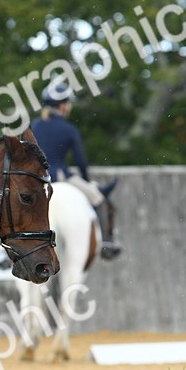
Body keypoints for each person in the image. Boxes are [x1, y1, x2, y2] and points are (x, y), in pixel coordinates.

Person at [30, 80, 122, 259]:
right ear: (63, 106)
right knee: (100, 200)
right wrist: (87, 181)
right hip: (61, 177)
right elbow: (81, 161)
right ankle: (106, 244)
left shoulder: (35, 125)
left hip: (37, 178)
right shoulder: (70, 129)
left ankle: (5, 253)